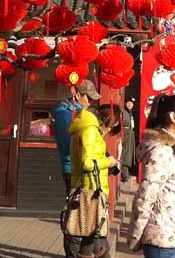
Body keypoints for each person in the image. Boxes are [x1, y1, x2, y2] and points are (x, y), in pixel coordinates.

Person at [127, 94, 175, 258]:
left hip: (170, 234)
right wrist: (135, 235)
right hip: (160, 236)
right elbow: (146, 196)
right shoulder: (162, 151)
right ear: (173, 117)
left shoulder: (172, 148)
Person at [64, 104, 122, 258]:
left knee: (89, 235)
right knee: (86, 234)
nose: (109, 130)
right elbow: (88, 163)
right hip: (90, 189)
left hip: (89, 187)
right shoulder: (90, 131)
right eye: (111, 126)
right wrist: (107, 162)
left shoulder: (87, 128)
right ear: (106, 120)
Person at [51, 79, 101, 195]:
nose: (91, 102)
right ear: (78, 95)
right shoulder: (64, 115)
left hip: (82, 167)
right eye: (89, 98)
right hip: (72, 169)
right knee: (74, 208)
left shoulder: (81, 113)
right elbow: (68, 145)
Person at [121, 98, 137, 182]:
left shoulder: (130, 113)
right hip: (126, 135)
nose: (130, 104)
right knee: (125, 154)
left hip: (130, 135)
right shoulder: (123, 112)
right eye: (128, 102)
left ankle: (126, 173)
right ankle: (125, 174)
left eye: (131, 103)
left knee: (129, 154)